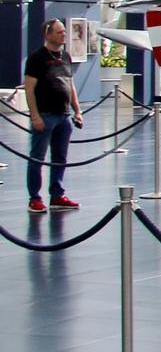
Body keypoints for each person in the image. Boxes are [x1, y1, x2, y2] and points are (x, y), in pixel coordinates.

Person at [23, 18, 83, 213]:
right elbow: (29, 88)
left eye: (64, 31)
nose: (64, 34)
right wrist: (35, 116)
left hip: (63, 115)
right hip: (45, 115)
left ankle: (57, 195)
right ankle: (35, 198)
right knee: (38, 158)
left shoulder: (66, 56)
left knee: (60, 157)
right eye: (59, 32)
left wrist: (77, 110)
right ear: (48, 34)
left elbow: (70, 84)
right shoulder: (37, 58)